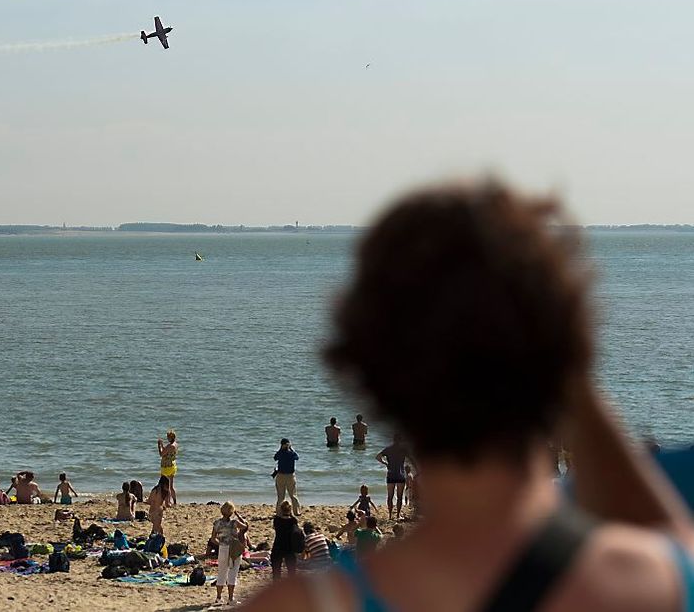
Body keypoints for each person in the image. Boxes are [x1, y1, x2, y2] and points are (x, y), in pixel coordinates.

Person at [242, 180, 694, 612]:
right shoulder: (656, 581)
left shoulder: (306, 605)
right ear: (562, 357)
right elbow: (666, 527)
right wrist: (556, 348)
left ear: (364, 371)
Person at [210, 501, 248, 605]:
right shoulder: (234, 523)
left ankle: (218, 598)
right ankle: (230, 598)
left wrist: (221, 544)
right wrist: (238, 515)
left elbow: (213, 539)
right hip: (233, 548)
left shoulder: (217, 523)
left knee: (221, 573)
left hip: (223, 548)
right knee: (232, 573)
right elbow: (245, 526)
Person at [376, 433, 412, 519]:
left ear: (393, 440)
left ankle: (390, 515)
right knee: (400, 497)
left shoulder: (388, 449)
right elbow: (412, 459)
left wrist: (385, 463)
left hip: (391, 474)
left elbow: (378, 457)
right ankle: (398, 515)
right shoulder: (403, 450)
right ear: (400, 440)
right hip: (400, 474)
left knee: (390, 496)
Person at [271, 500, 301, 580]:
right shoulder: (293, 521)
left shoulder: (277, 520)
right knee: (292, 572)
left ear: (281, 509)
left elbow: (275, 527)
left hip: (278, 546)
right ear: (290, 509)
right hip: (289, 547)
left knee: (276, 572)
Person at [273, 438, 301, 516]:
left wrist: (280, 449)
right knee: (293, 495)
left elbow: (275, 458)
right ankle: (296, 511)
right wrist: (291, 449)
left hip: (280, 475)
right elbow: (297, 457)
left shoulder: (280, 453)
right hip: (290, 475)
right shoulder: (291, 453)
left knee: (280, 496)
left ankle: (279, 512)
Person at [157, 430, 178, 506]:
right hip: (172, 465)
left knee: (165, 485)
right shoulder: (175, 445)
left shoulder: (170, 446)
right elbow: (166, 451)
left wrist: (159, 446)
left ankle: (167, 502)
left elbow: (161, 454)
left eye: (168, 437)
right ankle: (174, 501)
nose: (167, 438)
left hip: (166, 467)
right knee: (171, 486)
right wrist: (162, 445)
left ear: (170, 437)